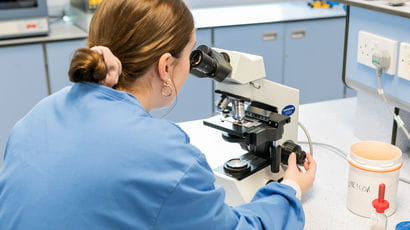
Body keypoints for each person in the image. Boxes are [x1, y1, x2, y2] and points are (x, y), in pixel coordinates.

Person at [0, 0, 317, 229]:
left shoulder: (35, 116)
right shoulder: (164, 154)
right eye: (190, 51)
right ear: (166, 66)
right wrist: (289, 188)